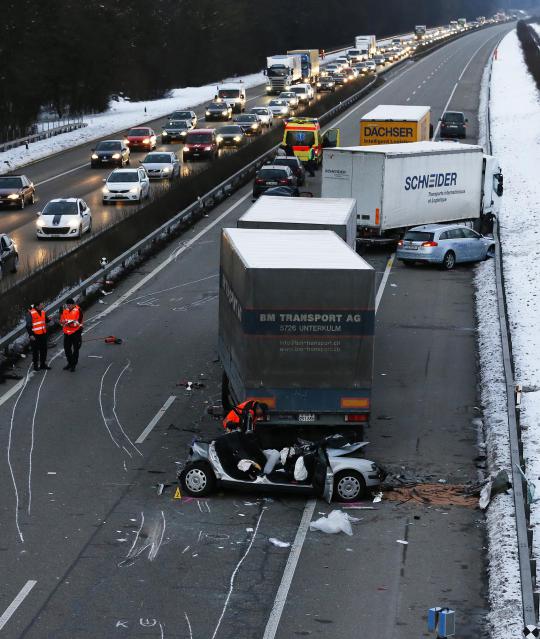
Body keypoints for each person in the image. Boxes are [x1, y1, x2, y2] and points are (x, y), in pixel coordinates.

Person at [26, 301, 51, 371]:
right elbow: (28, 326)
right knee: (35, 351)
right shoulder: (30, 313)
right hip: (35, 335)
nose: (42, 306)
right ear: (37, 307)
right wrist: (30, 335)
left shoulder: (42, 312)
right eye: (41, 305)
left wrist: (49, 319)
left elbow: (45, 320)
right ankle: (35, 365)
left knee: (44, 349)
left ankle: (43, 364)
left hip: (43, 334)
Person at [60, 298, 83, 372]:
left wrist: (70, 324)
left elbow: (79, 322)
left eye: (70, 305)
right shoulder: (65, 310)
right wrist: (63, 322)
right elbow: (62, 320)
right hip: (67, 333)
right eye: (67, 305)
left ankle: (73, 365)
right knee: (67, 349)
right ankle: (70, 363)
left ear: (73, 304)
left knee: (76, 349)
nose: (68, 306)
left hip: (76, 332)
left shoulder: (78, 310)